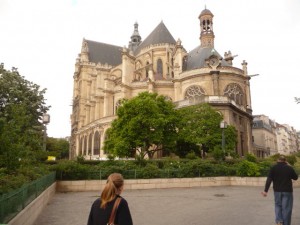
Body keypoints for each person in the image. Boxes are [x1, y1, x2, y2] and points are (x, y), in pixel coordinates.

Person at [261, 155, 298, 225]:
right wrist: (290, 166)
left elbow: (269, 179)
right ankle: (286, 223)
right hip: (287, 191)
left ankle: (279, 221)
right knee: (286, 208)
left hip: (277, 191)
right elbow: (295, 177)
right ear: (285, 161)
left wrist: (265, 191)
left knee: (278, 205)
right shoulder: (289, 168)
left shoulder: (273, 168)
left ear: (277, 160)